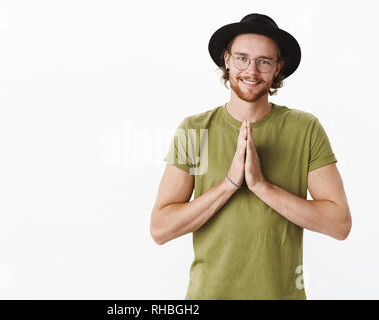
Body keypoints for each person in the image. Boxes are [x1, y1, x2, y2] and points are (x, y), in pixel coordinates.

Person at [149, 13, 352, 300]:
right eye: (242, 58)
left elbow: (339, 224)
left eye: (264, 61)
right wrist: (230, 183)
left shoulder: (306, 129)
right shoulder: (194, 130)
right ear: (227, 60)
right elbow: (160, 229)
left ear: (278, 67)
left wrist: (260, 186)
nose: (252, 71)